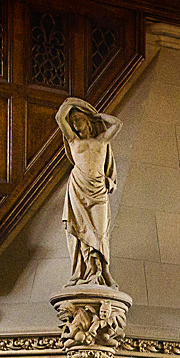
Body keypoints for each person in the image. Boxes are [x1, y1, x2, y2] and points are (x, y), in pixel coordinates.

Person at [56, 97, 122, 288]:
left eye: (79, 119)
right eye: (74, 121)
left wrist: (98, 115)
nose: (76, 124)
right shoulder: (73, 140)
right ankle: (87, 273)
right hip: (79, 187)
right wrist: (70, 103)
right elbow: (60, 117)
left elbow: (118, 124)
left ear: (88, 120)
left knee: (100, 233)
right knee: (82, 232)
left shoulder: (101, 140)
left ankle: (104, 273)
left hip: (98, 189)